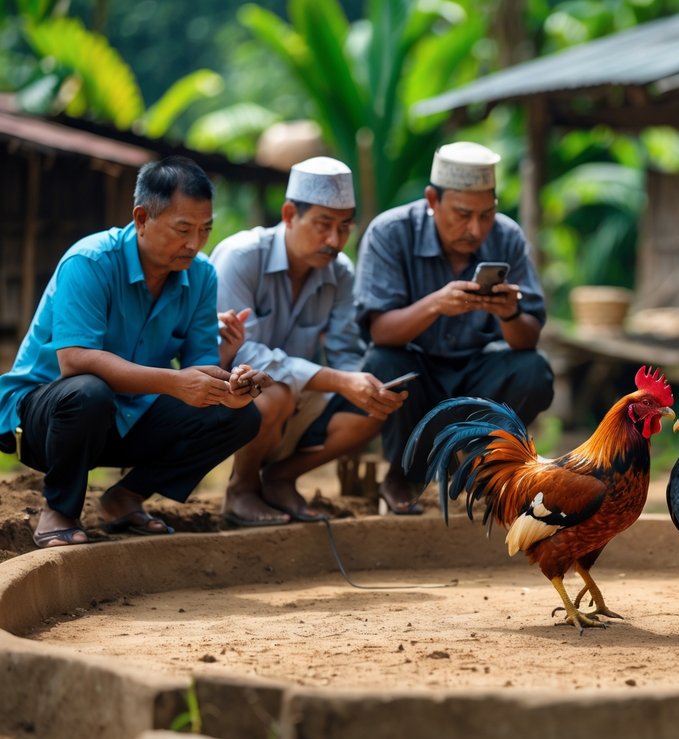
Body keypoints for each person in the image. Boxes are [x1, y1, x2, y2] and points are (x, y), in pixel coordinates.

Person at [0, 156, 265, 548]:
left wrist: (233, 385)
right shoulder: (89, 261)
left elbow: (200, 368)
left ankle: (124, 498)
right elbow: (74, 361)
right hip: (45, 420)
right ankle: (59, 509)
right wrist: (175, 382)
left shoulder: (203, 275)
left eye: (204, 229)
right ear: (142, 218)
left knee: (239, 418)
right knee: (88, 391)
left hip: (126, 416)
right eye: (182, 229)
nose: (194, 243)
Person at [353, 141, 554, 514]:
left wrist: (509, 314)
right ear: (432, 200)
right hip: (416, 372)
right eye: (462, 214)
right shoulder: (390, 232)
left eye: (486, 215)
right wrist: (435, 304)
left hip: (479, 374)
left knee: (534, 370)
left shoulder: (507, 236)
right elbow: (380, 332)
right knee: (384, 362)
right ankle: (403, 472)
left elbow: (528, 338)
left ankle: (478, 460)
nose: (474, 228)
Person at [211, 157, 407, 526]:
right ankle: (242, 490)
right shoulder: (241, 256)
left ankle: (281, 478)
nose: (334, 240)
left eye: (344, 227)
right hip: (231, 393)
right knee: (272, 392)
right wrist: (338, 380)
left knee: (373, 408)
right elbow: (242, 353)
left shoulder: (340, 273)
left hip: (302, 398)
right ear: (288, 214)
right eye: (323, 225)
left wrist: (361, 386)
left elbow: (345, 350)